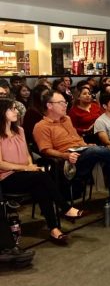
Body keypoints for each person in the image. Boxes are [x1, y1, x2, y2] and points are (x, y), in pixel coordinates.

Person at [33, 91, 110, 226]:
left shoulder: (67, 119)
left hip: (83, 153)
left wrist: (86, 145)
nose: (65, 105)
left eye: (65, 102)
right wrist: (65, 155)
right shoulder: (41, 126)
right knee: (97, 150)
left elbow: (77, 140)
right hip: (68, 162)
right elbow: (45, 150)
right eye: (61, 103)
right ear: (49, 106)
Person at [0, 98, 84, 244]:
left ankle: (54, 229)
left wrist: (30, 166)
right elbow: (1, 163)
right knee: (41, 177)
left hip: (25, 173)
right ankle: (65, 208)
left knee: (41, 186)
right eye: (12, 109)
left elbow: (27, 153)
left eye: (15, 108)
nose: (16, 111)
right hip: (7, 177)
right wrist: (27, 168)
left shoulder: (19, 130)